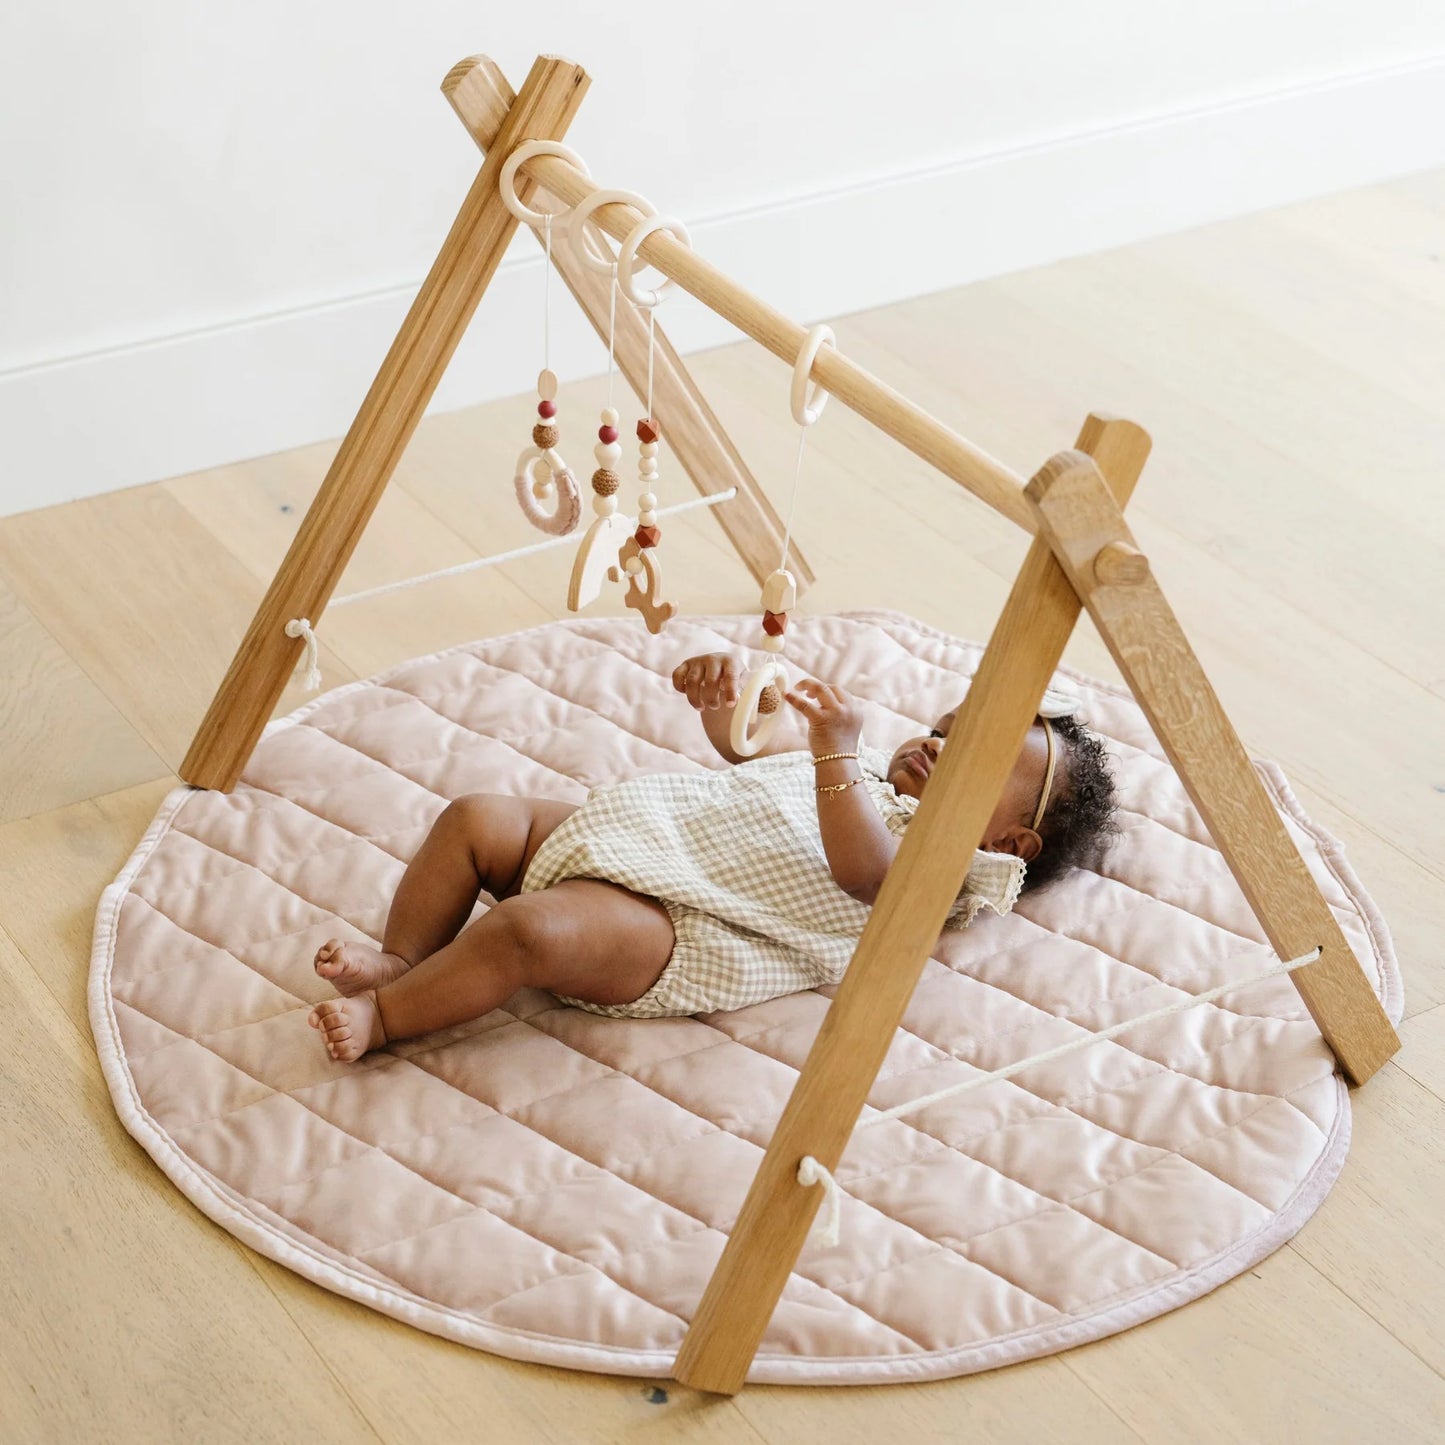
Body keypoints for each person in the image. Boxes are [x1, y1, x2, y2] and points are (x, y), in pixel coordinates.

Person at [307, 651, 1117, 1062]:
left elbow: (866, 874)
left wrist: (835, 752)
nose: (936, 746)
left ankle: (390, 1015)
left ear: (1009, 842)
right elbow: (750, 759)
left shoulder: (948, 871)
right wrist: (722, 707)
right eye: (944, 730)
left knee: (528, 931)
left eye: (970, 759)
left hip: (678, 922)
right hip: (641, 836)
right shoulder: (864, 772)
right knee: (476, 816)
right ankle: (404, 956)